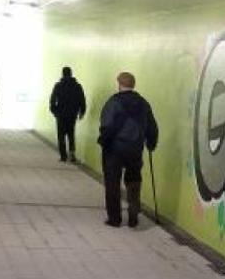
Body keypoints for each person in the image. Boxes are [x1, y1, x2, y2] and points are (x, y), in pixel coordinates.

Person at [98, 71, 158, 228]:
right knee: (134, 181)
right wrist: (151, 143)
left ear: (119, 84)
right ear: (133, 85)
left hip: (114, 149)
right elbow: (152, 126)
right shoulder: (143, 103)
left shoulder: (113, 102)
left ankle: (115, 218)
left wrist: (103, 141)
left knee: (112, 183)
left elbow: (106, 125)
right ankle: (133, 215)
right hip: (135, 149)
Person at [48, 66, 87, 163]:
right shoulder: (77, 86)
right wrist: (82, 112)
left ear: (62, 74)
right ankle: (72, 154)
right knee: (71, 134)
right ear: (71, 74)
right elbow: (82, 100)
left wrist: (55, 111)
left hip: (61, 115)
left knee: (61, 135)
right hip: (72, 114)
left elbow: (52, 100)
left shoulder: (58, 86)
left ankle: (63, 156)